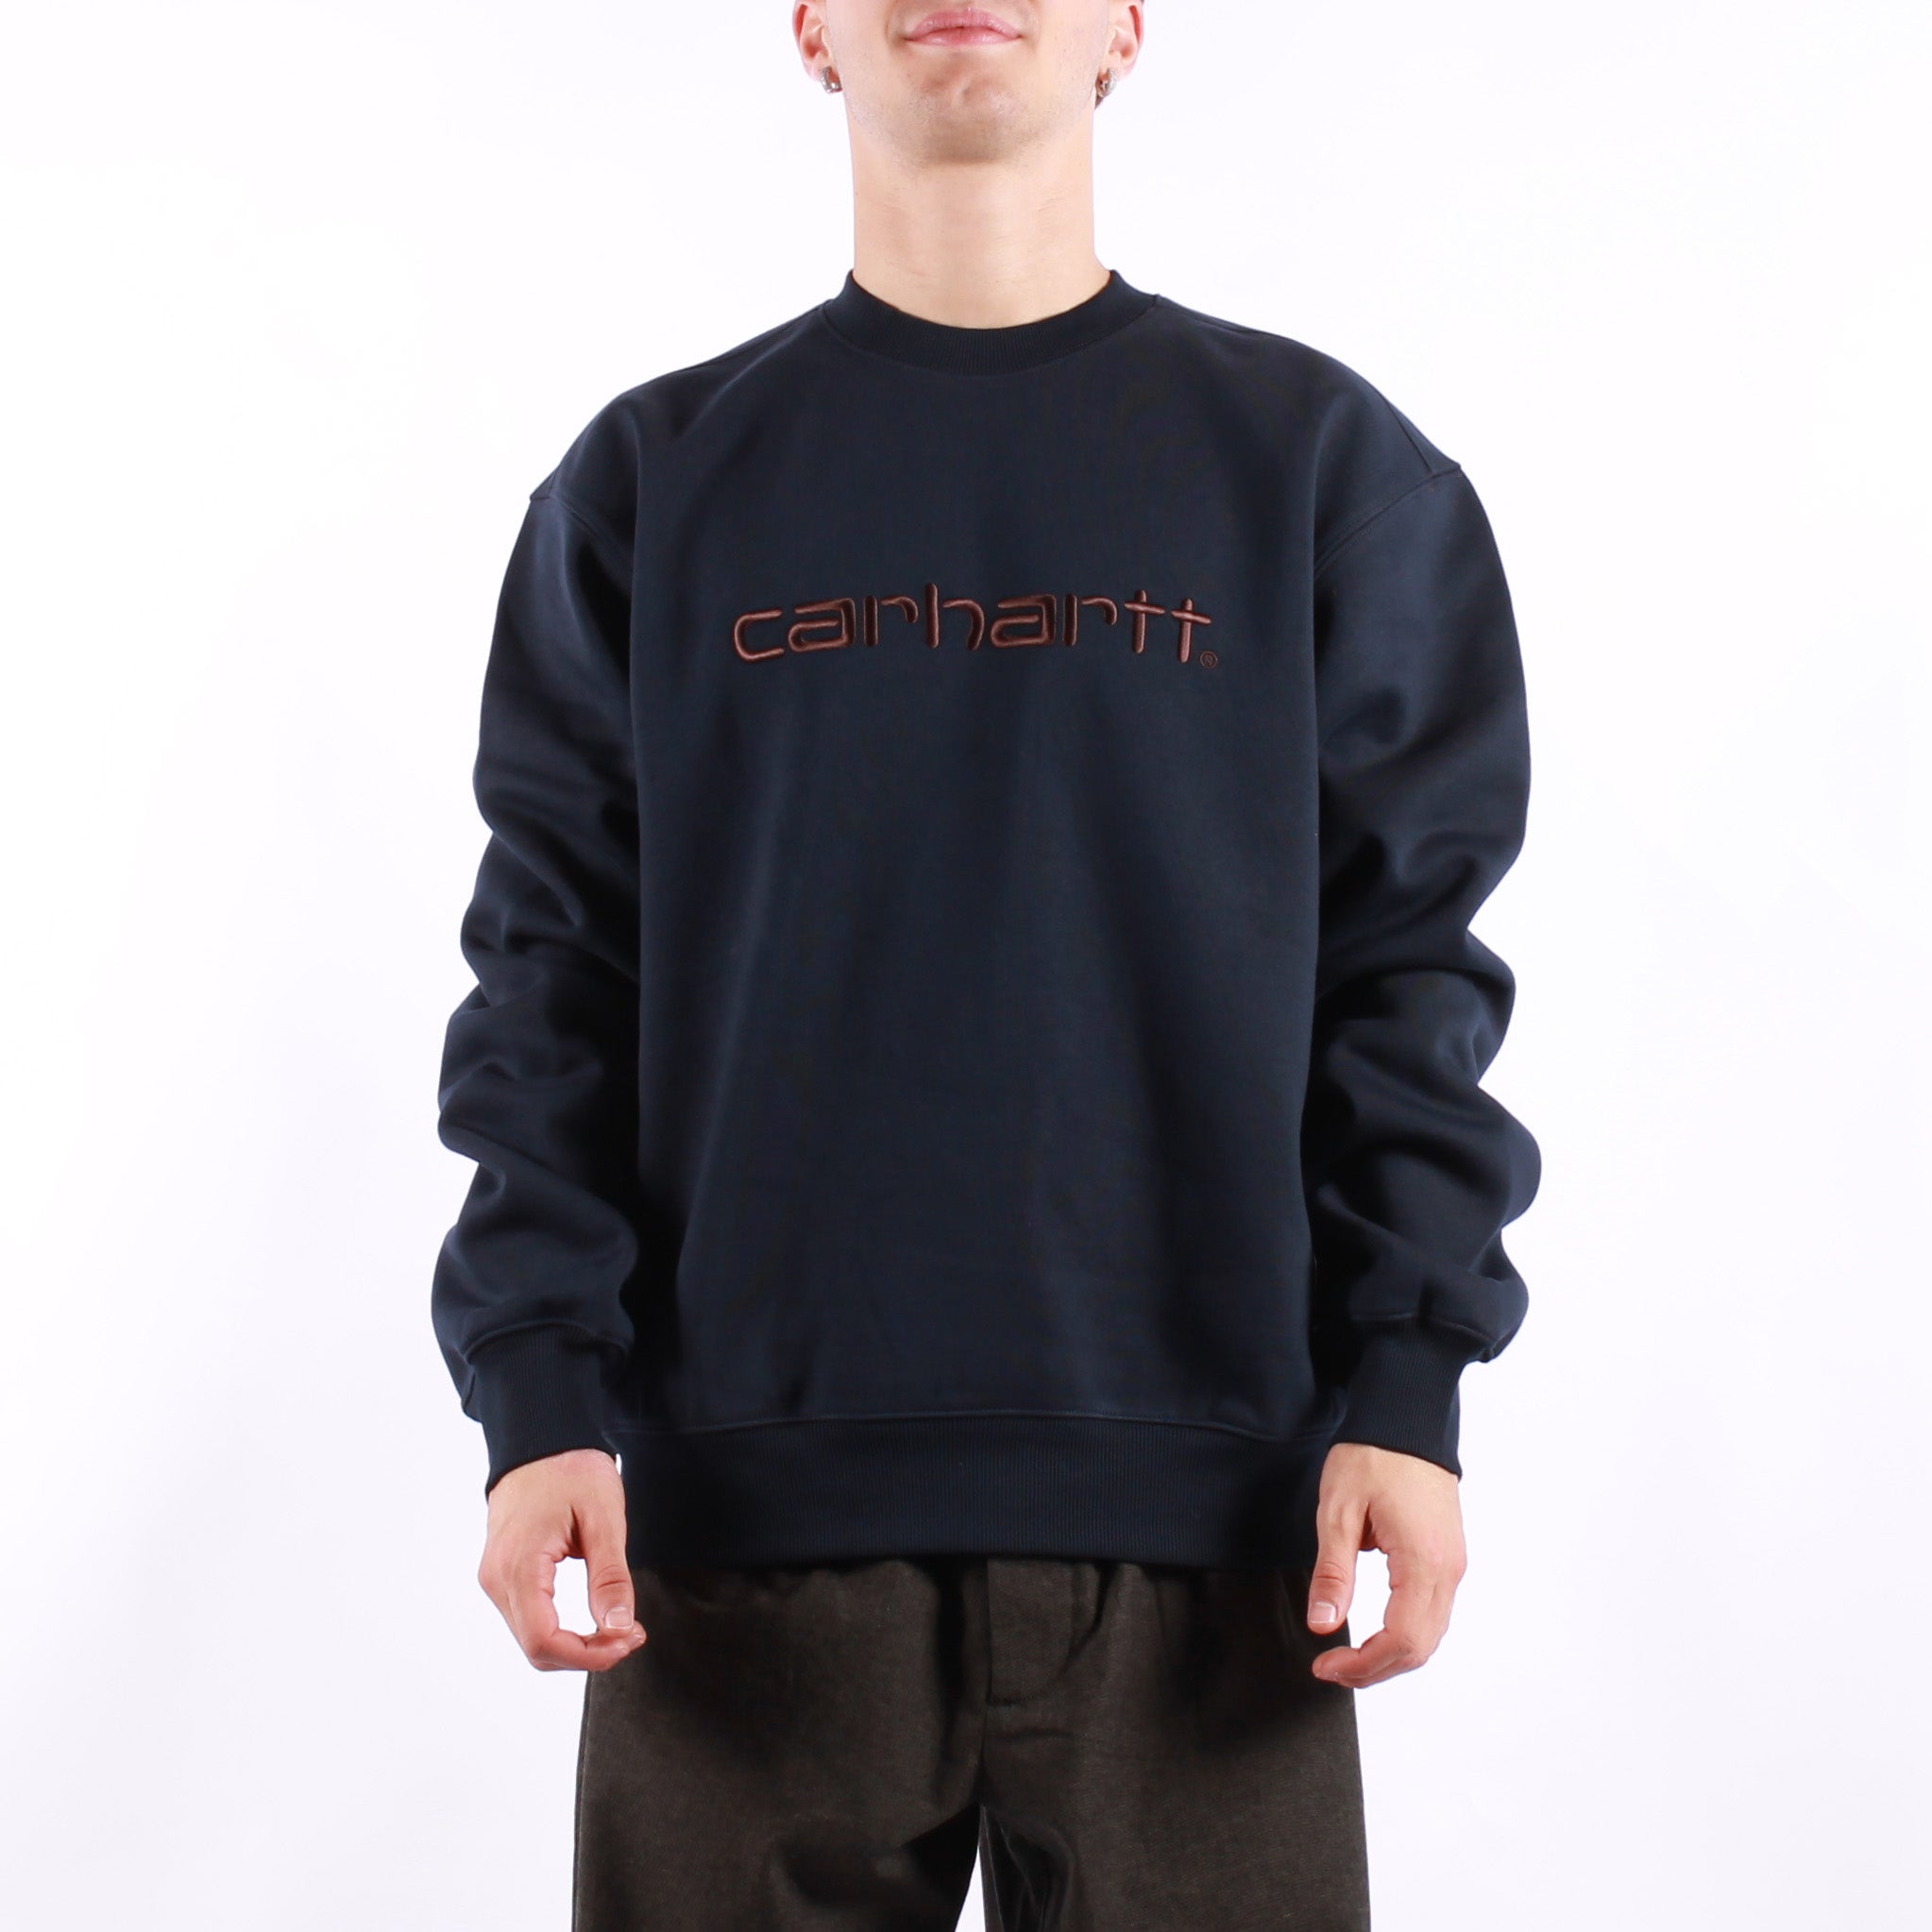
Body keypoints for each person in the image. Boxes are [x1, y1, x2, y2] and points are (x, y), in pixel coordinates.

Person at [430, 3, 1541, 1924]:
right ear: (807, 28)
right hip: (737, 1542)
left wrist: (1409, 1381)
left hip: (1216, 1532)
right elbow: (551, 977)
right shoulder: (652, 484)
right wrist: (537, 1401)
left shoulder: (1317, 469)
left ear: (1129, 26)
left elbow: (1407, 968)